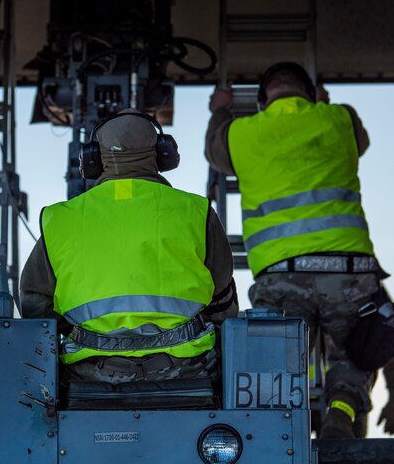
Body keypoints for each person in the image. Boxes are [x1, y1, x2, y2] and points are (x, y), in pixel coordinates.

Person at [205, 61, 382, 438]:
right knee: (356, 350)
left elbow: (214, 152)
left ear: (262, 100)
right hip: (348, 267)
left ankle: (277, 438)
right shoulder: (340, 119)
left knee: (276, 364)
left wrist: (220, 108)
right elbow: (360, 142)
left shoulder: (240, 132)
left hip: (282, 271)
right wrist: (324, 106)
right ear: (311, 92)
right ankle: (341, 412)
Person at [20, 109, 238, 384]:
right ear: (163, 154)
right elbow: (223, 303)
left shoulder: (59, 219)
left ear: (93, 159)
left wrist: (80, 334)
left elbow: (35, 305)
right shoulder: (197, 211)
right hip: (186, 372)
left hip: (91, 376)